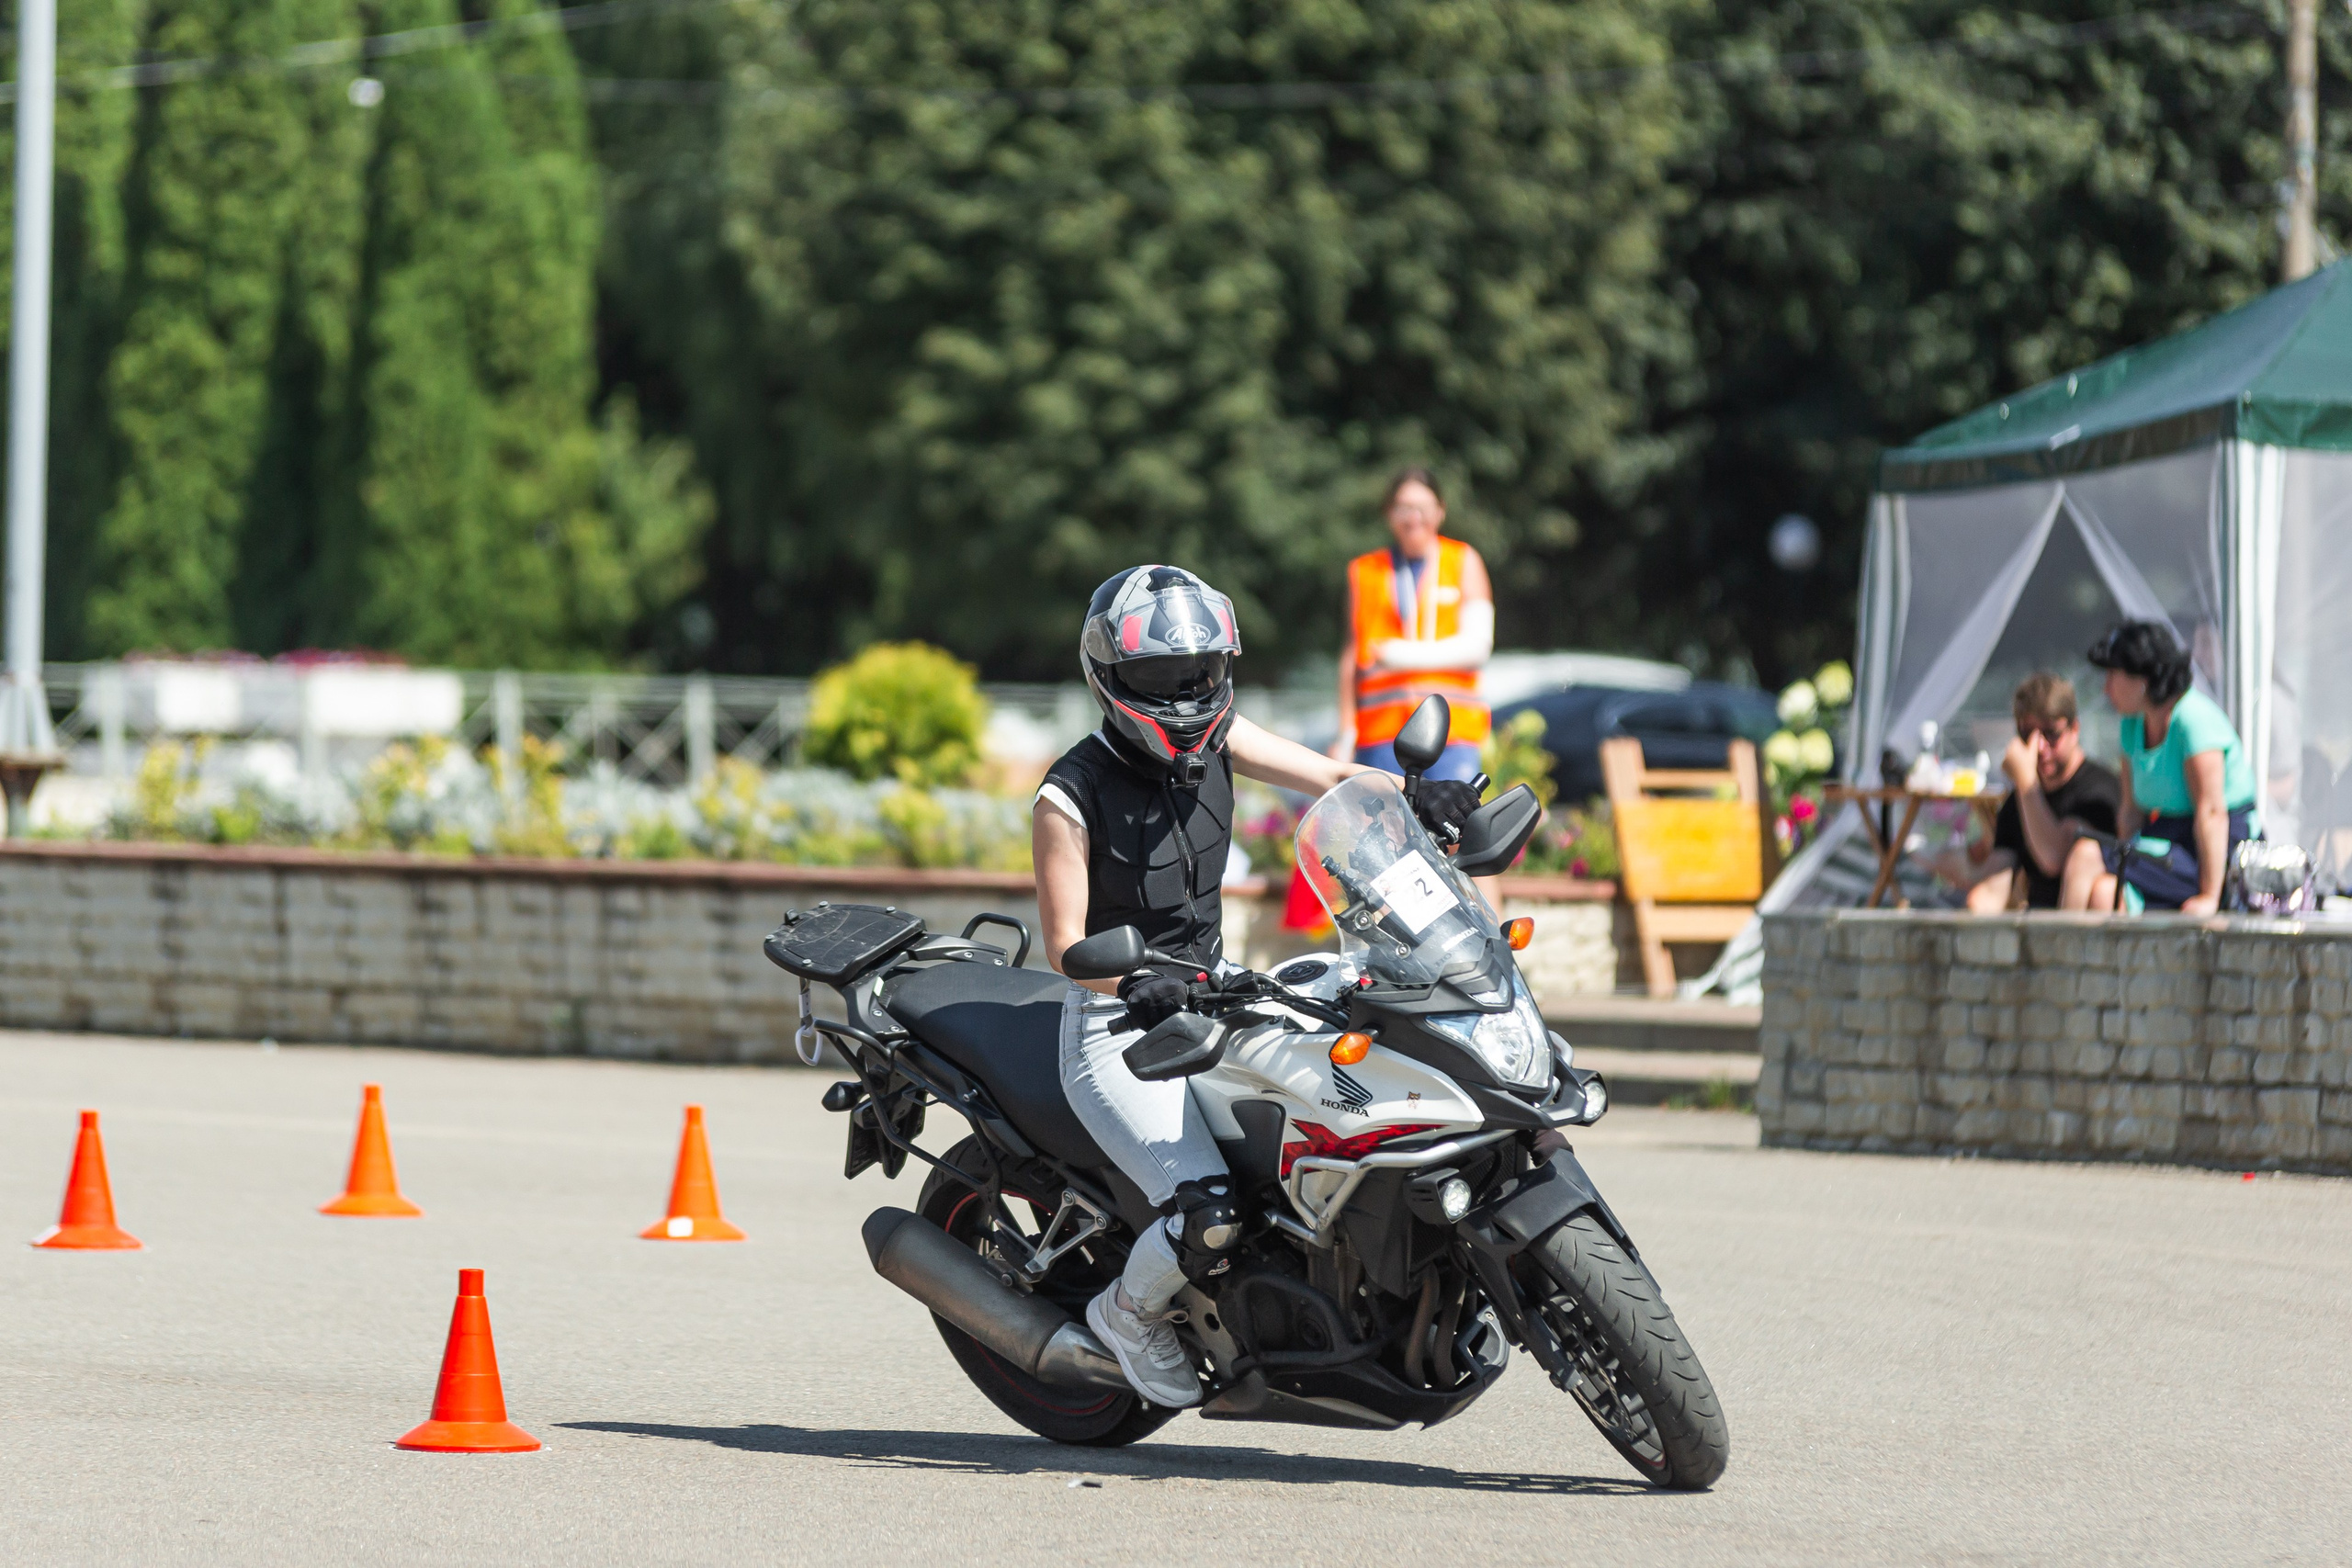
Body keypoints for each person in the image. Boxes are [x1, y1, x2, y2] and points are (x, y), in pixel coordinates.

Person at [1034, 565, 1481, 1408]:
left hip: (1219, 994)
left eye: (1198, 674)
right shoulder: (1069, 793)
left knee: (1355, 1103)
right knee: (1208, 1211)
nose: (1185, 695)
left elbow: (1329, 778)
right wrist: (1134, 980)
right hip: (1117, 1026)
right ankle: (1126, 1315)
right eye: (1160, 680)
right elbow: (1065, 944)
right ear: (1111, 676)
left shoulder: (1224, 735)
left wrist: (1420, 795)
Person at [2059, 620, 2257, 915]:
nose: (2106, 688)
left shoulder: (2193, 720)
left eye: (2113, 675)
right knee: (2104, 893)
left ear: (2142, 680)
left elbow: (2212, 814)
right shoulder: (2131, 725)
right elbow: (2130, 813)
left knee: (2085, 855)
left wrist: (2209, 898)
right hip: (2166, 844)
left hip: (2218, 854)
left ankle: (2059, 958)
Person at [1334, 468, 1494, 781]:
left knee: (1450, 826)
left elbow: (1478, 647)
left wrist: (1404, 655)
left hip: (1451, 735)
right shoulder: (1365, 571)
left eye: (1422, 507)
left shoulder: (1463, 561)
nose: (1413, 518)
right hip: (1381, 735)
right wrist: (1345, 732)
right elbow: (1351, 656)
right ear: (1389, 514)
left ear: (1440, 511)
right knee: (1383, 829)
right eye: (1404, 508)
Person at [1951, 674, 2121, 911]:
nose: (2039, 747)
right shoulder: (2018, 800)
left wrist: (2027, 781)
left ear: (2075, 729)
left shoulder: (2099, 789)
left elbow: (2054, 857)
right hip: (2039, 926)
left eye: (2051, 734)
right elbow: (1994, 886)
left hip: (2089, 932)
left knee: (2099, 881)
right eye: (2027, 734)